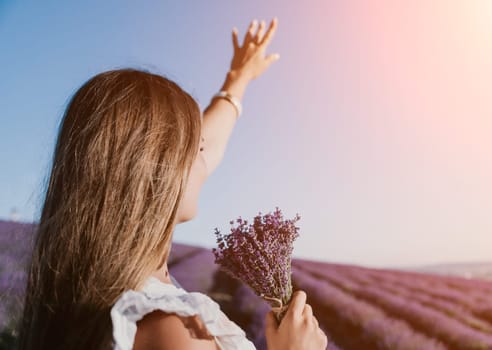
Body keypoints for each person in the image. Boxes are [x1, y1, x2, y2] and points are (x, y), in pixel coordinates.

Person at [17, 17, 328, 350]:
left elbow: (213, 137)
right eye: (196, 150)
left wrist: (238, 79)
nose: (204, 161)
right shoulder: (172, 332)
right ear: (159, 172)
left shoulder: (94, 283)